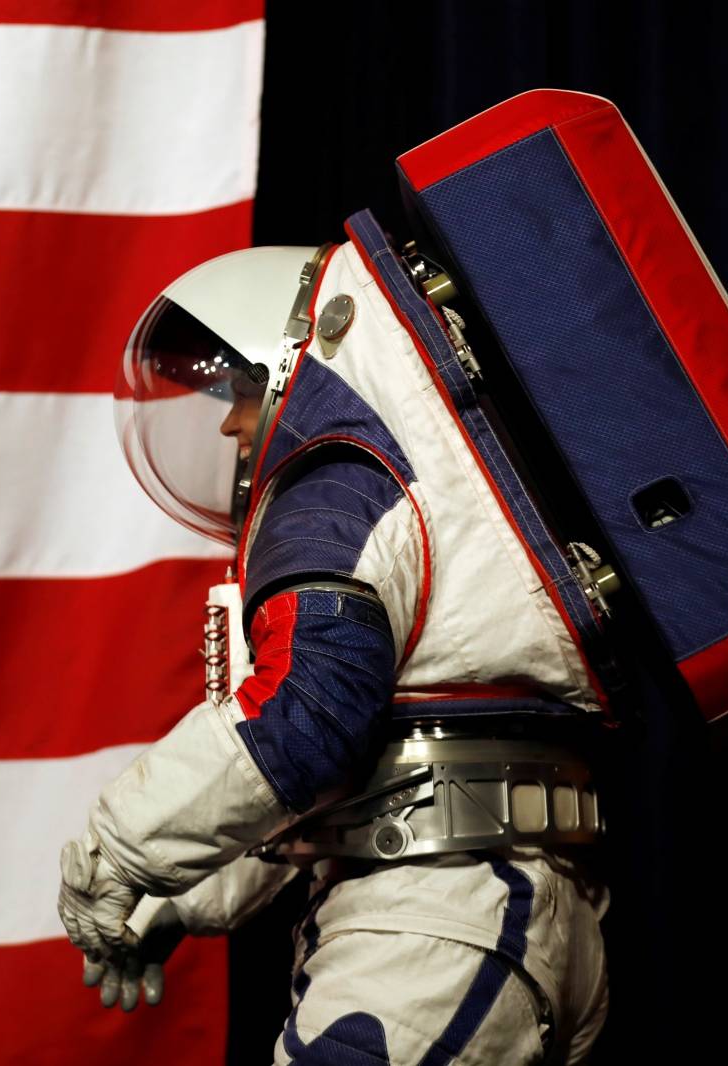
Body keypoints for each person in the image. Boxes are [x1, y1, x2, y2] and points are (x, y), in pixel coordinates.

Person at [61, 236, 611, 1064]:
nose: (228, 419)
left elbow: (309, 714)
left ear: (291, 366)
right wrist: (193, 889)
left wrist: (117, 853)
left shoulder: (332, 488)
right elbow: (363, 760)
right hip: (484, 905)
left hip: (435, 926)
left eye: (240, 389)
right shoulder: (398, 474)